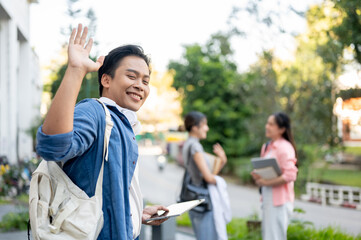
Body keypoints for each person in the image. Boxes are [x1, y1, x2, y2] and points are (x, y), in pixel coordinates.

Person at [36, 24, 168, 240]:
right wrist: (76, 70)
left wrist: (135, 214)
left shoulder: (125, 124)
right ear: (106, 80)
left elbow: (106, 194)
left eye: (145, 81)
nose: (140, 85)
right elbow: (53, 146)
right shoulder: (95, 112)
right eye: (131, 76)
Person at [251, 112, 298, 240]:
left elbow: (291, 175)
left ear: (282, 129)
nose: (267, 126)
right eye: (267, 123)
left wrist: (265, 183)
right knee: (268, 236)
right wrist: (258, 176)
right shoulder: (267, 146)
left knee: (275, 236)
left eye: (271, 124)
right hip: (267, 198)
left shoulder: (285, 148)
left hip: (279, 201)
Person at [182, 111, 229, 240]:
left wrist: (222, 161)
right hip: (202, 201)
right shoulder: (195, 147)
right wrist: (221, 181)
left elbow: (206, 175)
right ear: (194, 127)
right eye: (204, 125)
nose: (207, 128)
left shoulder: (189, 144)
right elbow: (208, 178)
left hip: (196, 198)